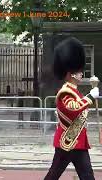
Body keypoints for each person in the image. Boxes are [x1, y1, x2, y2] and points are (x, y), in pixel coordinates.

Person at [44, 37, 98, 180]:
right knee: (53, 175)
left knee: (87, 176)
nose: (81, 73)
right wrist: (90, 97)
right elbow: (73, 108)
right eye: (79, 70)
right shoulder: (65, 92)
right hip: (67, 143)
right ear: (70, 73)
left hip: (78, 142)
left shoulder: (75, 91)